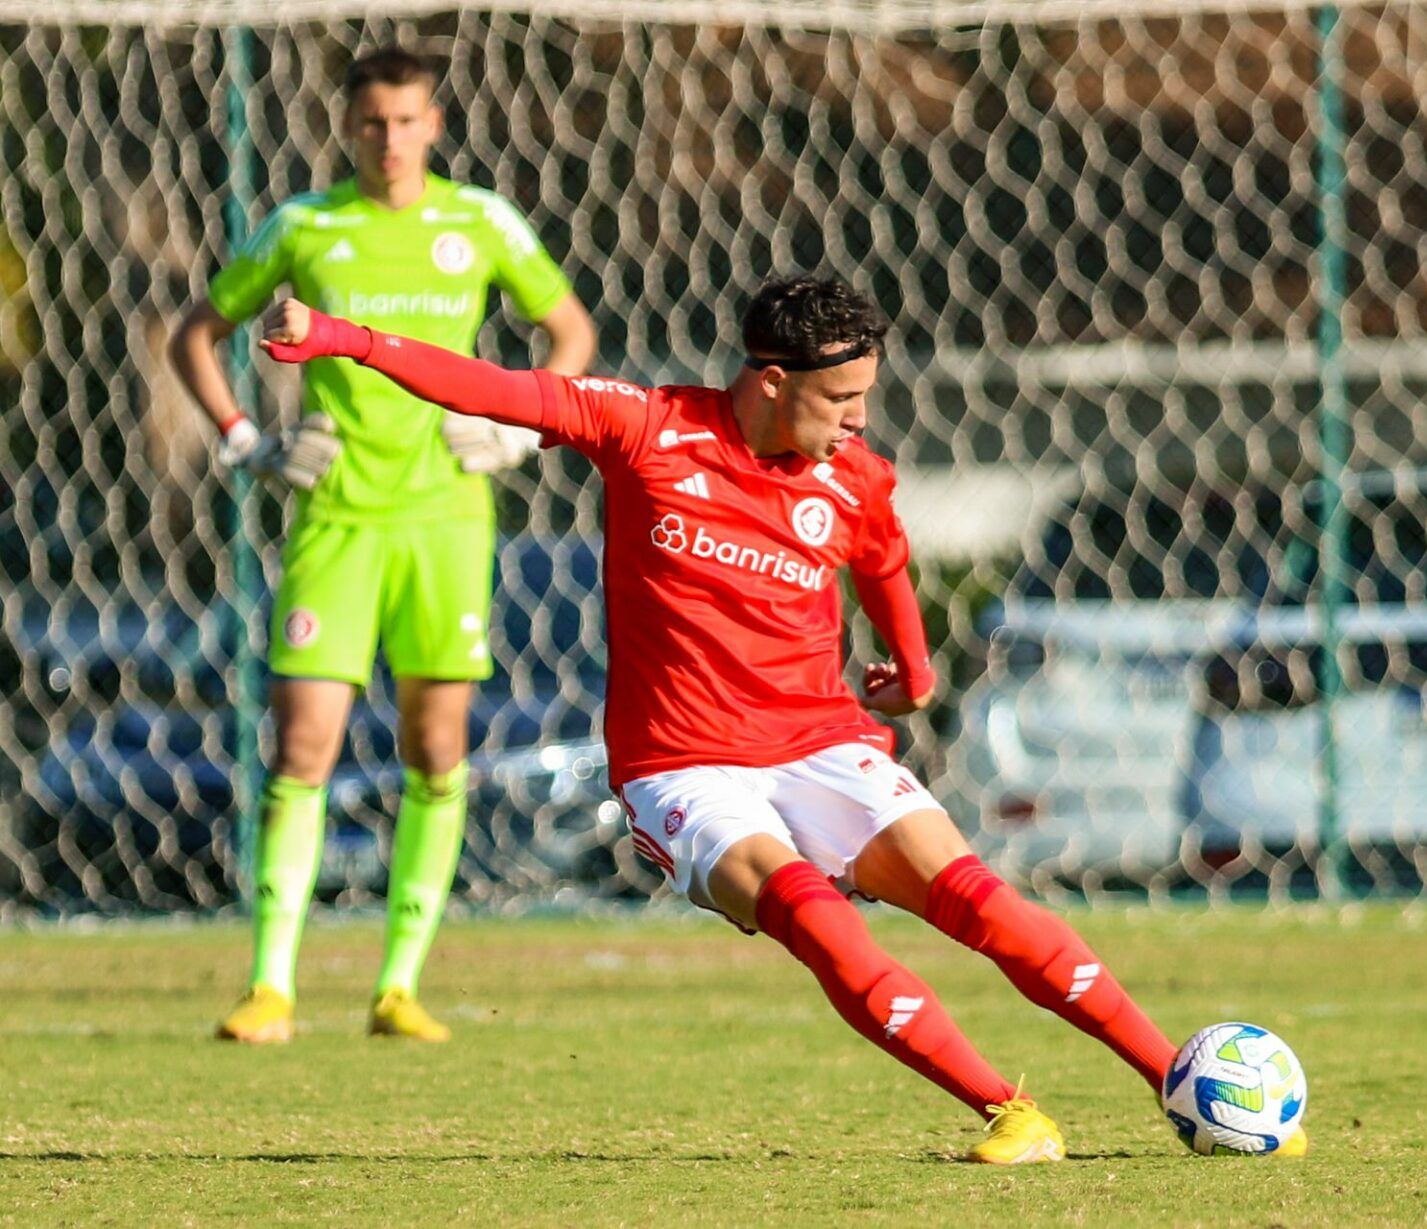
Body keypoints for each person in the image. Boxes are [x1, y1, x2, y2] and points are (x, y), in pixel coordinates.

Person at [256, 277, 1305, 1162]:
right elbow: (497, 387)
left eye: (864, 397)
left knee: (978, 898)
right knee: (812, 910)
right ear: (770, 382)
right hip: (684, 767)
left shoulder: (852, 476)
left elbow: (885, 557)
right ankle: (1009, 1109)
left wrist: (915, 659)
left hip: (823, 739)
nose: (857, 419)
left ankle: (1176, 1076)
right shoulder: (649, 427)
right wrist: (339, 337)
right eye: (840, 398)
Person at [168, 46, 597, 1044]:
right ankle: (271, 983)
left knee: (435, 747)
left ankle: (399, 983)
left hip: (446, 517)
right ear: (347, 128)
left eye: (408, 122)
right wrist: (247, 443)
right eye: (373, 123)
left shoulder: (479, 220)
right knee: (302, 743)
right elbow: (198, 332)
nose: (391, 140)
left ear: (434, 125)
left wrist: (524, 428)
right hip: (336, 518)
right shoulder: (304, 227)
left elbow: (568, 330)